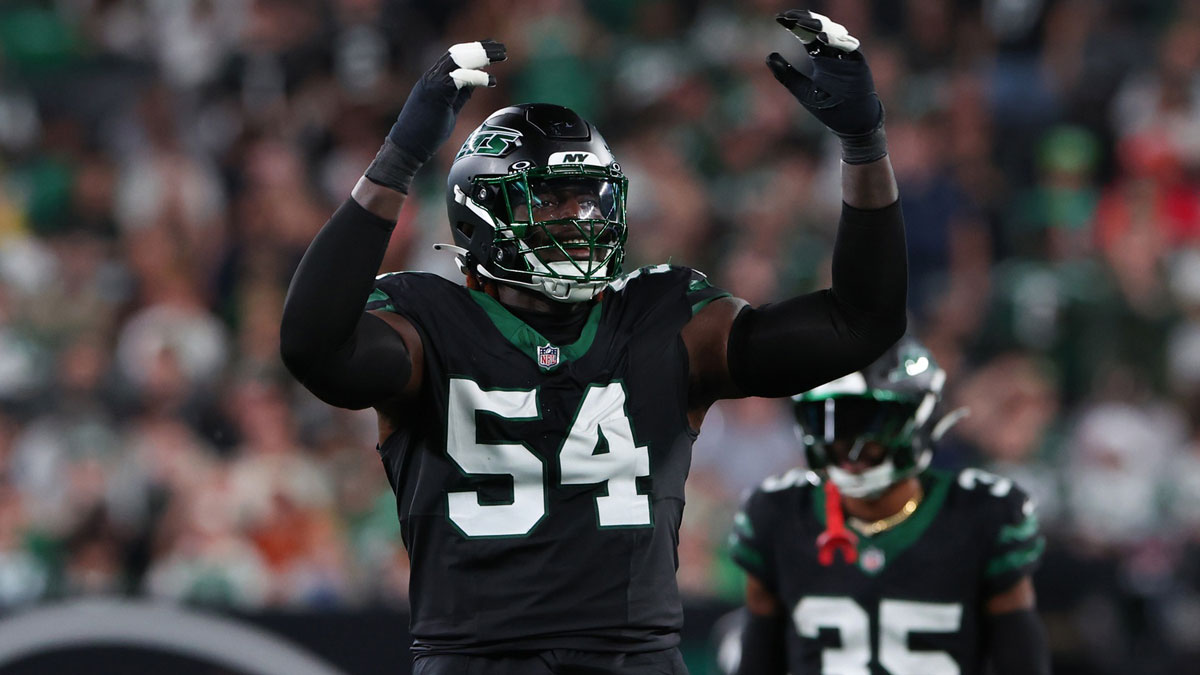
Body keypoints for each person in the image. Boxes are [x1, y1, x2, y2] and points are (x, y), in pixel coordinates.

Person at [279, 10, 906, 675]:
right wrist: (397, 162)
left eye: (589, 200)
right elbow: (313, 346)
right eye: (549, 201)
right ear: (482, 214)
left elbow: (860, 324)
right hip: (478, 661)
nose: (578, 220)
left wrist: (864, 146)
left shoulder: (666, 317)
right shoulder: (429, 320)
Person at [725, 337, 1051, 675]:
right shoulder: (778, 513)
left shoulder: (983, 514)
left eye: (871, 422)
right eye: (829, 420)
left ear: (918, 418)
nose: (848, 448)